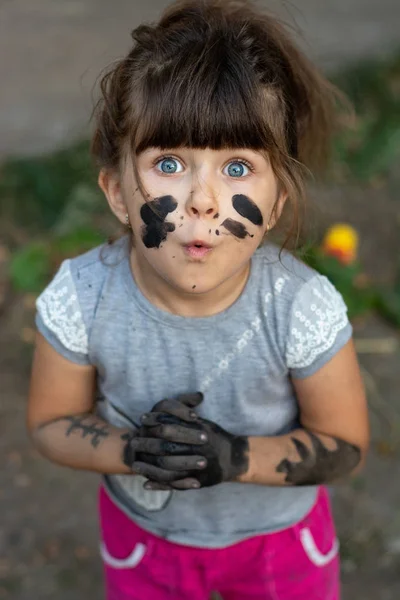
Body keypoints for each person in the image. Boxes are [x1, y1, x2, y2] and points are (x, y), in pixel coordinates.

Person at [27, 1, 369, 598]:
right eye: (168, 163)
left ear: (279, 200)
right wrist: (134, 451)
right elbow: (51, 423)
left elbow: (346, 446)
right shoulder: (82, 300)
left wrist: (236, 458)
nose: (203, 200)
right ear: (116, 192)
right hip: (146, 542)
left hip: (278, 547)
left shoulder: (301, 308)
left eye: (237, 166)